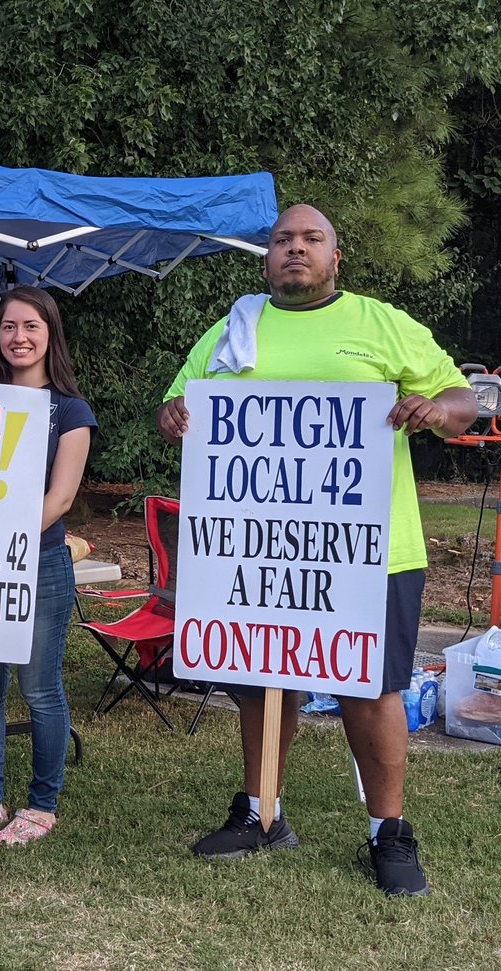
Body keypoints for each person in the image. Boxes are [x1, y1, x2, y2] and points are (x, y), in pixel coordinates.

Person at [157, 204, 476, 896]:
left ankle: (388, 832)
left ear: (335, 257)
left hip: (372, 551)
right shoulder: (233, 329)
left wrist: (436, 411)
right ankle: (261, 813)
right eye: (282, 240)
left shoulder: (381, 323)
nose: (294, 248)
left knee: (370, 687)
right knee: (260, 681)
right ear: (267, 258)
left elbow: (463, 401)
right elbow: (178, 405)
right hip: (256, 550)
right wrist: (174, 415)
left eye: (311, 239)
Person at [0, 287, 96, 846]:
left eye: (31, 326)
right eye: (8, 327)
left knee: (39, 688)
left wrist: (5, 539)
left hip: (39, 563)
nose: (19, 337)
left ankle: (42, 805)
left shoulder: (70, 411)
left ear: (50, 334)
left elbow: (60, 499)